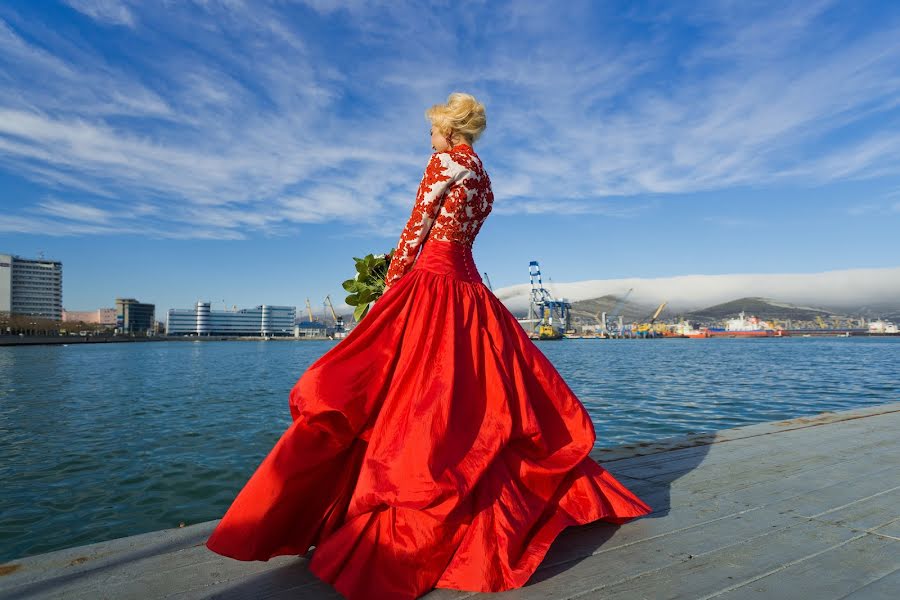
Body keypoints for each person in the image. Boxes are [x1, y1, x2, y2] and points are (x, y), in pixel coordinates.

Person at [205, 92, 653, 599]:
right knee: (475, 400)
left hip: (431, 284)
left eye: (432, 131)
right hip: (471, 291)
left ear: (447, 131)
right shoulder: (483, 177)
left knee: (398, 393)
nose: (430, 139)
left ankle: (382, 508)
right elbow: (464, 236)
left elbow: (415, 230)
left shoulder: (444, 162)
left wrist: (387, 291)